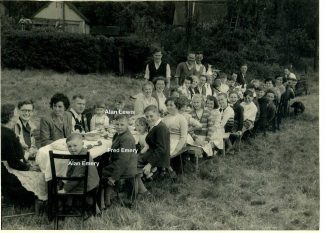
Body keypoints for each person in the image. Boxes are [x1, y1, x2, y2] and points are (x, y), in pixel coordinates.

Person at [2, 104, 40, 207]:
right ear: (11, 117)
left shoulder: (4, 131)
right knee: (41, 176)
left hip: (5, 172)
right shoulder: (7, 134)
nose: (17, 116)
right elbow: (13, 162)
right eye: (16, 114)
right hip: (8, 176)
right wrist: (28, 167)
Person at [102, 114, 138, 207]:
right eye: (117, 124)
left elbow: (123, 160)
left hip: (127, 167)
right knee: (103, 166)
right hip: (122, 164)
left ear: (127, 125)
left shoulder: (127, 138)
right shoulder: (118, 135)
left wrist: (114, 177)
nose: (119, 127)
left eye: (122, 125)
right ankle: (108, 198)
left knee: (101, 172)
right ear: (114, 124)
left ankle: (104, 201)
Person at [137, 105, 170, 180]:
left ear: (158, 114)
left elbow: (161, 149)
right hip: (152, 153)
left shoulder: (161, 128)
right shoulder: (154, 125)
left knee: (130, 161)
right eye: (147, 116)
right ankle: (143, 176)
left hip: (159, 159)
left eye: (151, 116)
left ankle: (144, 175)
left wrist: (149, 164)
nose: (149, 119)